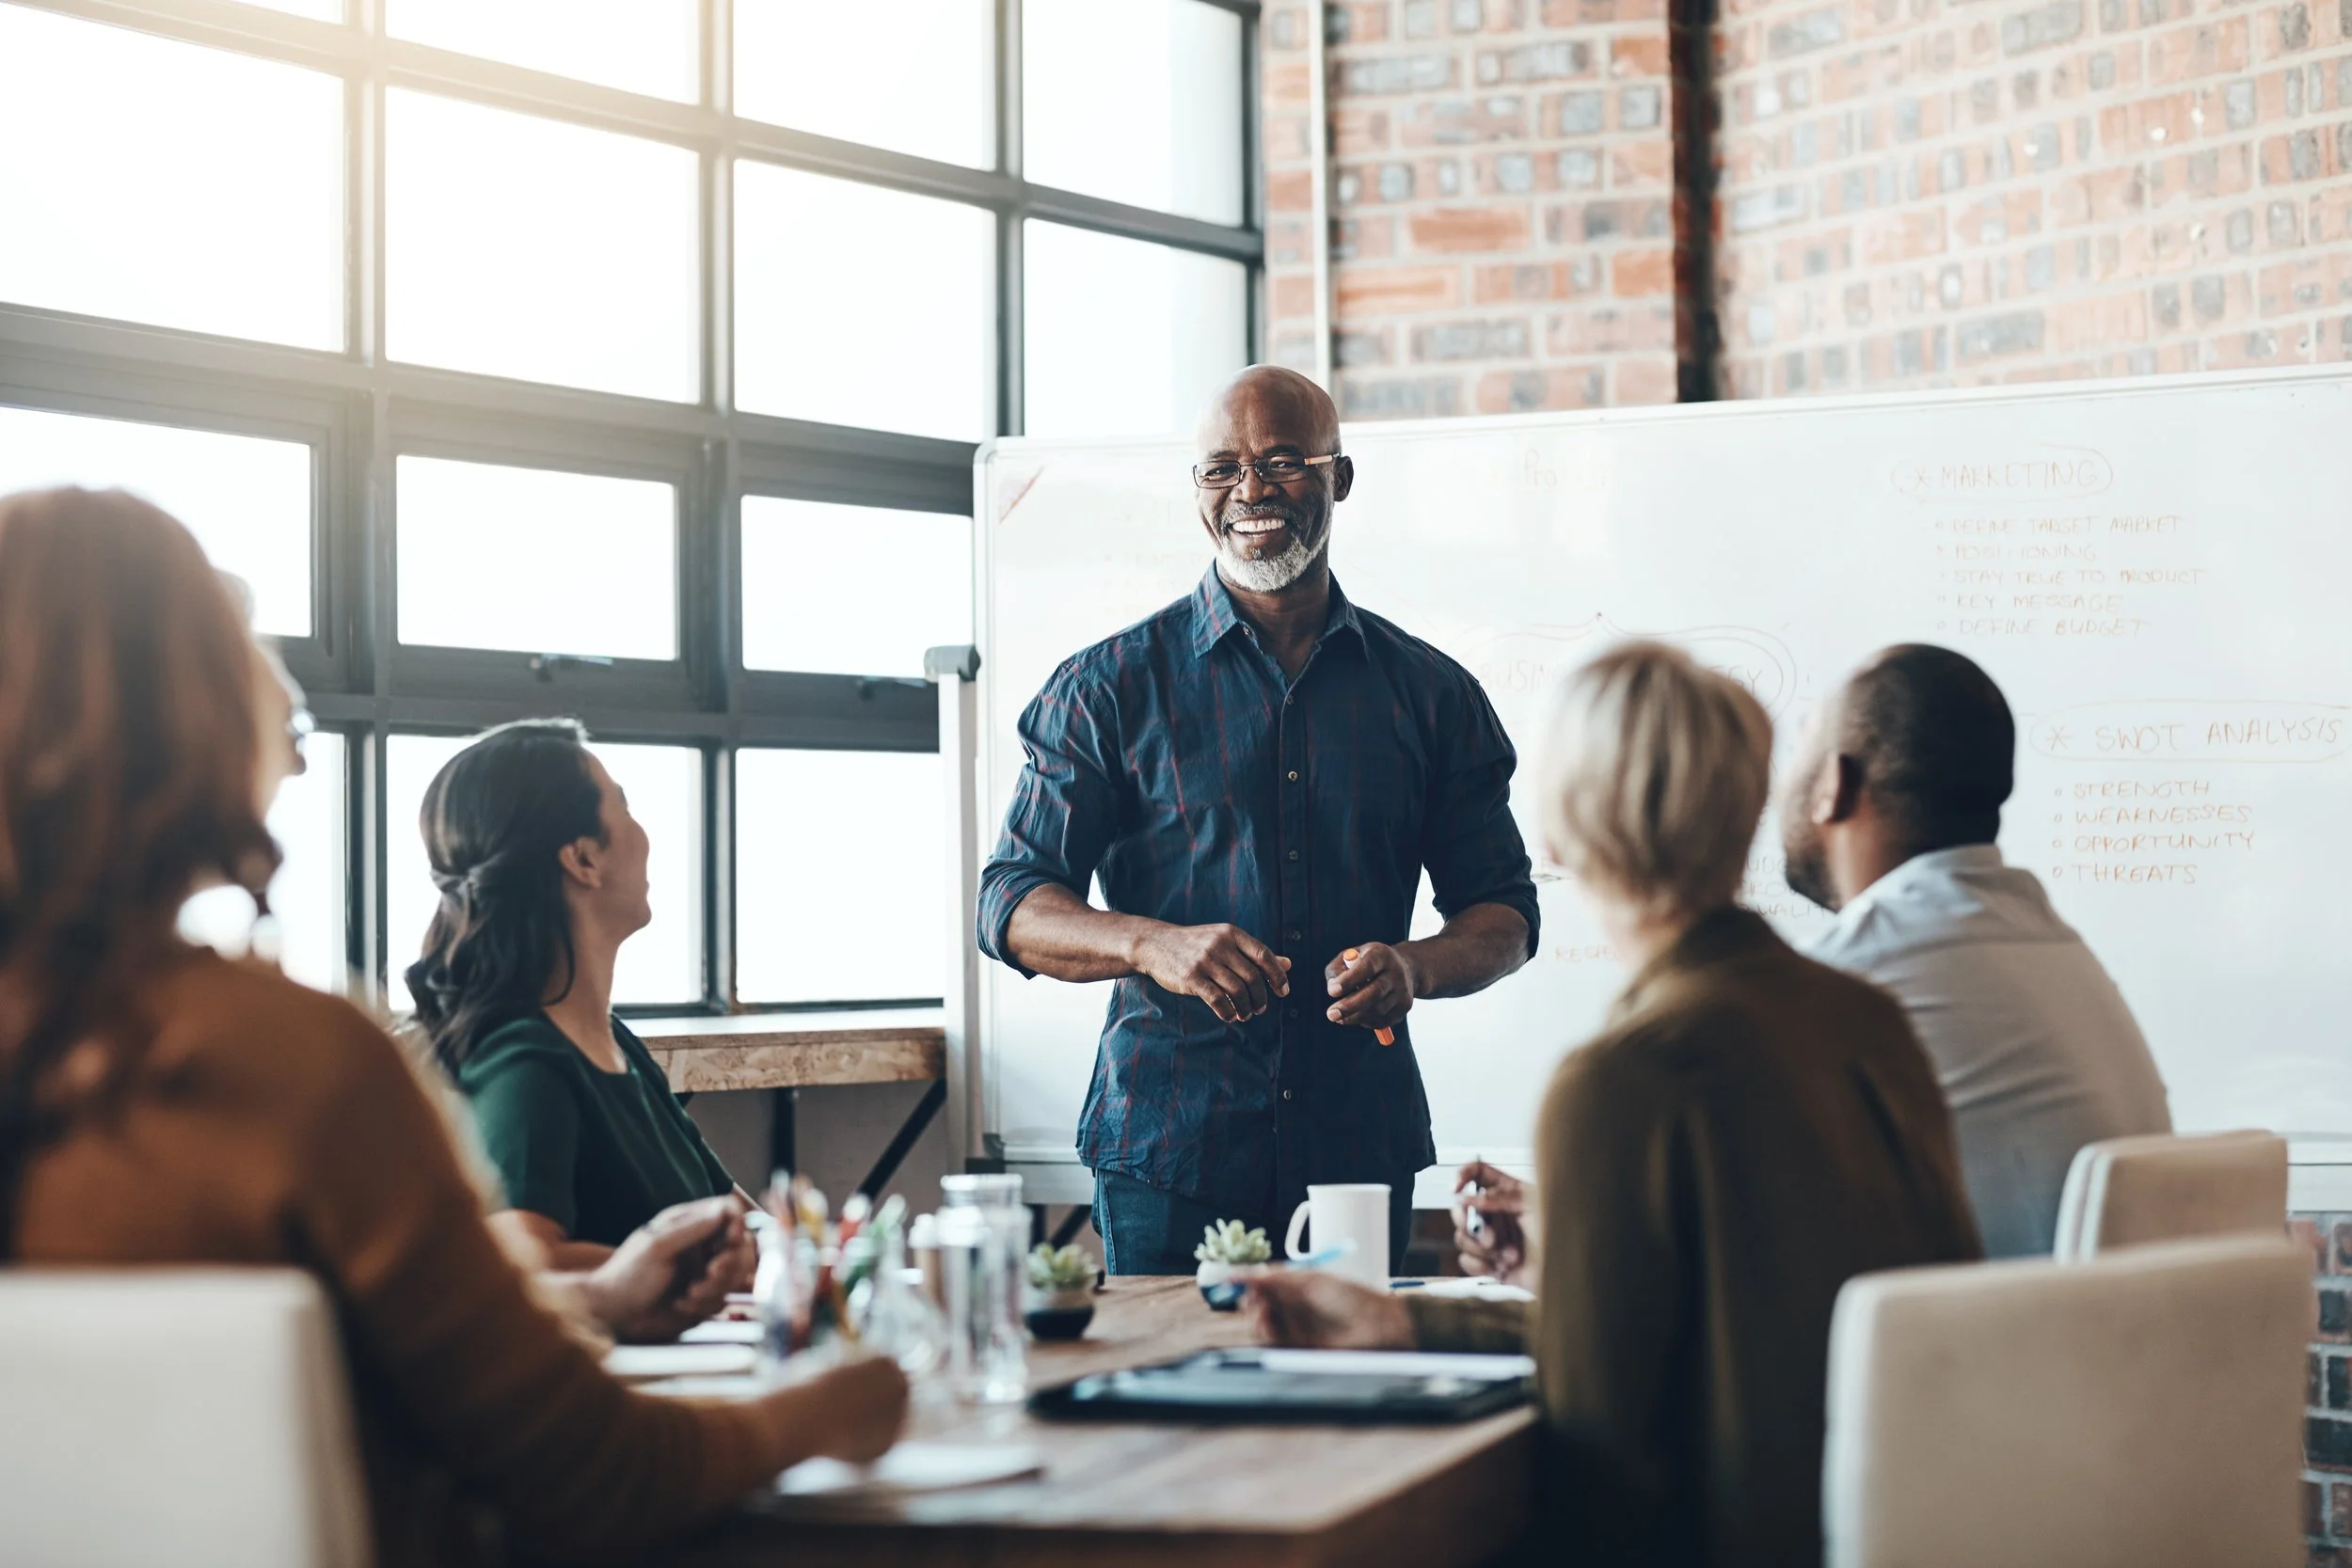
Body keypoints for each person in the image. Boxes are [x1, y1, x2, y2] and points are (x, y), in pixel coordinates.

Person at [0, 487, 905, 1567]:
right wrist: (836, 1404)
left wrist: (596, 1300)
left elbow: (354, 1347)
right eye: (244, 639)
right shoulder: (288, 1063)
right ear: (184, 709)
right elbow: (600, 1476)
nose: (288, 691)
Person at [1250, 641, 1979, 1568]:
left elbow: (1602, 1456)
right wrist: (1410, 1321)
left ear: (1554, 835)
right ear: (1749, 806)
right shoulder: (1866, 1017)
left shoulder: (1624, 1078)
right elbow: (1717, 1329)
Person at [977, 365, 1541, 1274]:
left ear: (1340, 478)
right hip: (1170, 1155)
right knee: (1168, 1412)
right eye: (1221, 469)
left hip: (1357, 1152)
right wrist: (1149, 944)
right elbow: (1008, 902)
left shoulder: (1432, 696)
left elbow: (1506, 914)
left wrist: (1415, 967)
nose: (1250, 491)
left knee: (1351, 1409)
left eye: (1283, 462)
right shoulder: (1107, 688)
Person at [1778, 643, 2172, 1257]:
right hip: (2096, 1342)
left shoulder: (1843, 980)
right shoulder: (2060, 953)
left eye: (1798, 744)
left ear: (1833, 784)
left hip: (1967, 1347)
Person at [406, 721, 754, 1279]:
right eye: (625, 807)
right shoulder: (525, 1063)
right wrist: (676, 1272)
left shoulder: (617, 1044)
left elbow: (740, 1219)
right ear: (583, 860)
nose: (645, 833)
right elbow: (520, 1259)